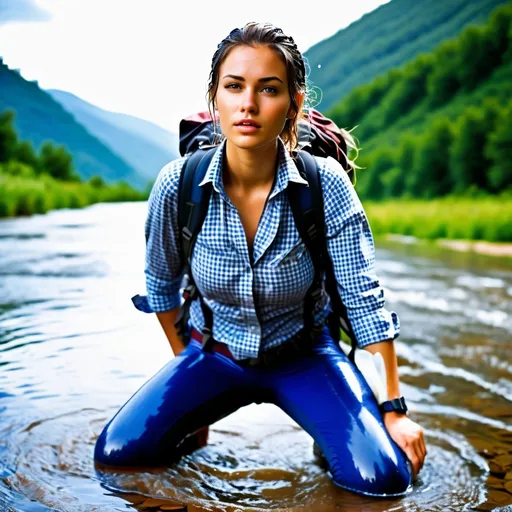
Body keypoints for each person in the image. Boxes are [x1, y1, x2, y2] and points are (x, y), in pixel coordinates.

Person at [94, 21, 427, 497]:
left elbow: (364, 300)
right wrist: (187, 391)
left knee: (383, 480)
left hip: (307, 356)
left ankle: (329, 437)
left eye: (268, 89)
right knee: (118, 457)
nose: (248, 104)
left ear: (293, 103)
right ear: (216, 98)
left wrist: (394, 410)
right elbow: (163, 291)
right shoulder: (177, 185)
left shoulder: (325, 184)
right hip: (215, 356)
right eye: (234, 87)